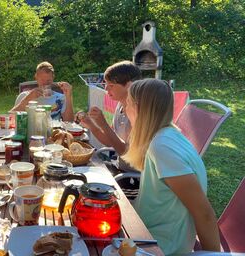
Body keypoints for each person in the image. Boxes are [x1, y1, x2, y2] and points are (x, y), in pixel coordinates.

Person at [123, 78, 220, 254]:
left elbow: (204, 214)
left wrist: (211, 254)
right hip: (143, 232)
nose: (124, 109)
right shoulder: (167, 134)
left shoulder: (162, 147)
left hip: (160, 247)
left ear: (138, 108)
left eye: (128, 103)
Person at [79, 61, 141, 172]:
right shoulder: (120, 104)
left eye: (111, 85)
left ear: (129, 85)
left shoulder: (138, 112)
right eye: (106, 84)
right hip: (119, 166)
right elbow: (110, 141)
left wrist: (103, 123)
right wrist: (91, 124)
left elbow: (126, 153)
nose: (106, 89)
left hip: (131, 176)